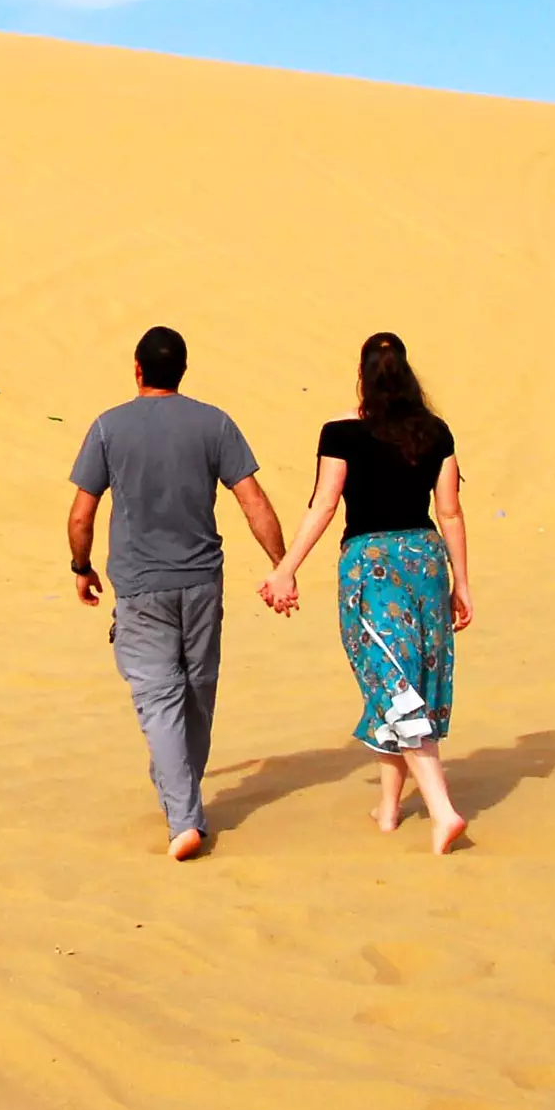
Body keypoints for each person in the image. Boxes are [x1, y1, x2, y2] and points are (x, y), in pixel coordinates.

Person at [67, 325, 288, 860]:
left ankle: (184, 819)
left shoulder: (107, 427)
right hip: (201, 584)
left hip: (143, 589)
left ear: (138, 370)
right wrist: (282, 563)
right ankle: (181, 796)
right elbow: (252, 499)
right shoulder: (214, 423)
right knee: (197, 692)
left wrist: (81, 565)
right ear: (182, 370)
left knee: (161, 697)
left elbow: (81, 513)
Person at [259, 331, 475, 853]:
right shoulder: (434, 432)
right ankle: (388, 809)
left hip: (371, 567)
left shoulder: (340, 434)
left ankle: (443, 810)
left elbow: (324, 505)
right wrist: (462, 582)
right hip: (425, 562)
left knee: (392, 681)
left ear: (363, 376)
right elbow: (449, 511)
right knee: (399, 678)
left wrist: (286, 568)